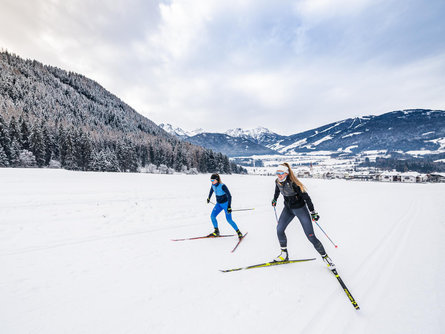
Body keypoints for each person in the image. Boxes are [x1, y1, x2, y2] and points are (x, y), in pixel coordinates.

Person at [271, 163, 335, 268]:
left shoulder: (294, 184)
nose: (279, 175)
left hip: (300, 209)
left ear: (286, 173)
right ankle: (284, 254)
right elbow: (277, 190)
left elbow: (307, 198)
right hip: (288, 209)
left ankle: (326, 257)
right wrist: (275, 199)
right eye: (277, 173)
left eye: (281, 173)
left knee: (310, 236)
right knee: (279, 229)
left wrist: (313, 212)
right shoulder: (277, 181)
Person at [207, 173, 243, 239]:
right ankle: (216, 231)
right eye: (211, 180)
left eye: (213, 180)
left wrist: (229, 206)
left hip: (225, 204)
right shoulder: (213, 185)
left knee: (229, 220)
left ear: (217, 180)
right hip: (218, 204)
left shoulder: (222, 186)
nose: (211, 182)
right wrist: (208, 198)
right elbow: (211, 191)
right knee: (212, 216)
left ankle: (239, 232)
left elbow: (229, 196)